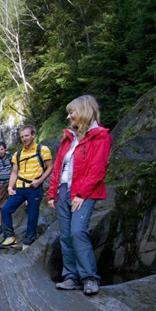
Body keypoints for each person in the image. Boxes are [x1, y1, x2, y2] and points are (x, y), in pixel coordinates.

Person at [47, 95, 112, 296]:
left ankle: (89, 278)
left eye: (71, 112)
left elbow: (97, 169)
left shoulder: (100, 136)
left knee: (77, 232)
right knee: (65, 236)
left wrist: (81, 194)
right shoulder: (69, 138)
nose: (69, 117)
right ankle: (71, 277)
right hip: (63, 190)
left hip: (84, 191)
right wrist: (52, 193)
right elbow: (58, 167)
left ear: (83, 111)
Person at [1, 125, 53, 248]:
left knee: (32, 214)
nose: (24, 138)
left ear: (33, 135)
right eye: (22, 136)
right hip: (20, 188)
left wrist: (40, 181)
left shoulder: (43, 149)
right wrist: (10, 187)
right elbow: (14, 172)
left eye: (26, 135)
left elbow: (50, 166)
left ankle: (29, 240)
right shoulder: (18, 154)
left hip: (34, 188)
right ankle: (10, 236)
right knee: (5, 209)